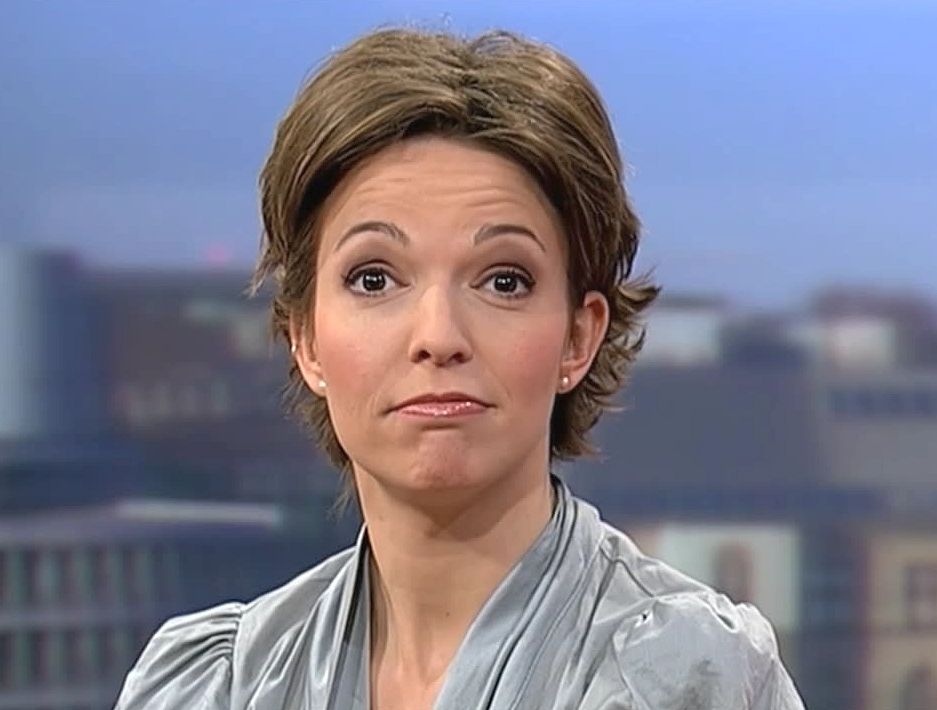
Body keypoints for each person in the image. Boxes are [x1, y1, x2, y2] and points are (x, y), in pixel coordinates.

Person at [115, 27, 806, 709]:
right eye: (374, 279)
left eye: (503, 281)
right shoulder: (216, 687)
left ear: (578, 336)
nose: (438, 337)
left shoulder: (688, 680)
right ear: (306, 340)